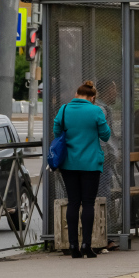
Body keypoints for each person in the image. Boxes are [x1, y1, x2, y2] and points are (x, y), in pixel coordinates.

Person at [54, 80, 112, 258]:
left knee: (73, 202)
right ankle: (87, 244)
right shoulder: (96, 110)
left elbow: (57, 132)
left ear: (76, 94)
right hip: (90, 164)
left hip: (68, 164)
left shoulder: (63, 109)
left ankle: (73, 245)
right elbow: (106, 135)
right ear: (92, 97)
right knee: (88, 203)